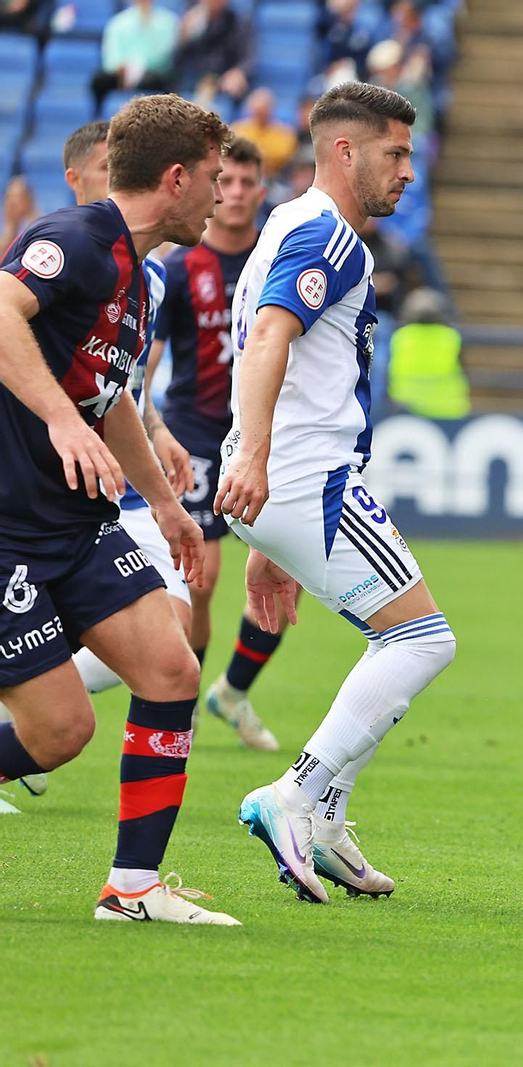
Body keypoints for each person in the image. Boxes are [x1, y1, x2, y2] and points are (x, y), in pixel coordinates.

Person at [0, 94, 236, 924]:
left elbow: (109, 396)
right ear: (175, 178)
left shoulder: (146, 275)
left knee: (173, 670)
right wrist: (60, 419)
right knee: (61, 732)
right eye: (211, 177)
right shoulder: (72, 239)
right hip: (9, 532)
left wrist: (170, 507)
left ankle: (131, 889)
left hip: (79, 522)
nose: (219, 193)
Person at [219, 82, 456, 905]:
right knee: (423, 640)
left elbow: (263, 345)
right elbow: (269, 338)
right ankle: (295, 793)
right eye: (395, 154)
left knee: (391, 640)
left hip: (289, 479)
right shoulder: (332, 239)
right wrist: (260, 459)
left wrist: (262, 534)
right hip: (305, 475)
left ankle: (324, 821)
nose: (409, 172)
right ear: (345, 152)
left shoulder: (287, 222)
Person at [151, 136, 285, 752]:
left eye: (246, 183)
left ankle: (232, 690)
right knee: (199, 580)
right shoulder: (182, 266)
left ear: (261, 190)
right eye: (224, 181)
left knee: (285, 570)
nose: (233, 194)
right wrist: (148, 425)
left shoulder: (282, 257)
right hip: (197, 434)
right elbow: (145, 362)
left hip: (269, 436)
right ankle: (190, 691)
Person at [386, 287, 469, 420]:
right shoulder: (451, 337)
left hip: (406, 409)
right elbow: (464, 371)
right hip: (448, 410)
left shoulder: (399, 337)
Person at [91, 0, 179, 110]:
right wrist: (124, 69)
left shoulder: (169, 21)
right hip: (121, 73)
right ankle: (97, 114)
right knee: (99, 80)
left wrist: (139, 69)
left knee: (157, 81)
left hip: (152, 73)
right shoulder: (118, 22)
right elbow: (110, 57)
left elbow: (165, 55)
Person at [230, 88, 299, 178]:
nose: (260, 114)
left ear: (271, 109)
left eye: (263, 110)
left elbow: (283, 157)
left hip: (276, 178)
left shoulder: (285, 134)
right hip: (242, 175)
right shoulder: (237, 130)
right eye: (257, 110)